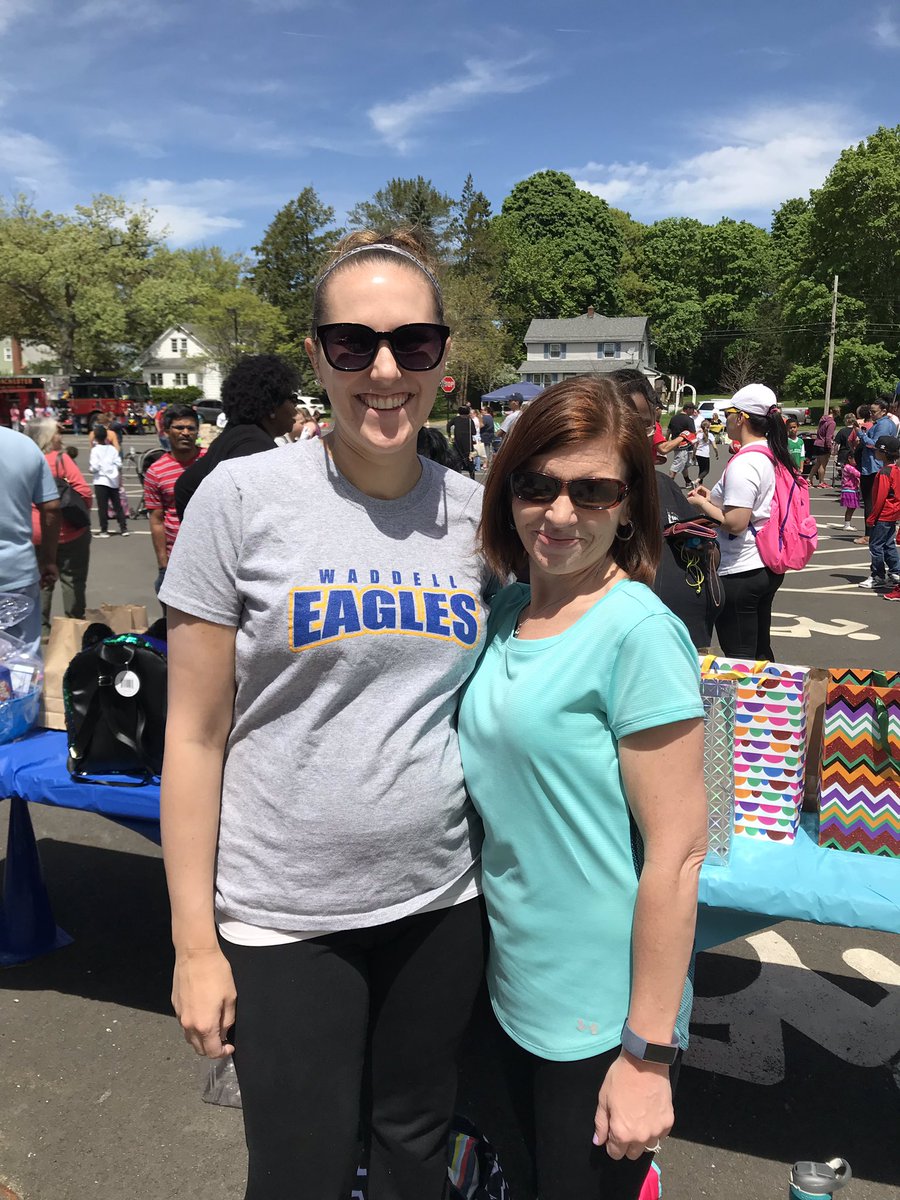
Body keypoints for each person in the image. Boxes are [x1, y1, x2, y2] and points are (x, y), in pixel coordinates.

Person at [158, 229, 492, 1200]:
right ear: (317, 356)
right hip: (285, 918)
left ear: (441, 359)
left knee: (414, 1161)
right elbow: (194, 734)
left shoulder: (478, 516)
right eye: (353, 344)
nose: (384, 370)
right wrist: (193, 942)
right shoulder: (244, 498)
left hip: (440, 906)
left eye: (412, 345)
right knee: (298, 1174)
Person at [458, 375, 707, 1200]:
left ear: (630, 504)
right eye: (537, 484)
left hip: (601, 1014)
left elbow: (678, 854)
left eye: (592, 490)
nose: (560, 513)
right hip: (509, 987)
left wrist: (647, 1054)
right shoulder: (507, 612)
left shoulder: (638, 633)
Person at [609, 369, 723, 650]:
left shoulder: (662, 483)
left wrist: (705, 545)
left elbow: (703, 545)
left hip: (688, 641)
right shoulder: (585, 494)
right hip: (629, 646)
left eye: (647, 425)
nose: (640, 436)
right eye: (628, 423)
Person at [687, 383, 795, 660]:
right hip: (765, 565)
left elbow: (735, 522)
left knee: (740, 657)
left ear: (742, 417)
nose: (725, 419)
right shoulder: (770, 454)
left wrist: (700, 504)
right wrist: (713, 497)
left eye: (729, 412)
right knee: (759, 649)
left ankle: (750, 703)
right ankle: (770, 700)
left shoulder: (745, 463)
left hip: (741, 568)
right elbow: (756, 505)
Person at [174, 356, 299, 520]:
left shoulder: (229, 438)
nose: (296, 408)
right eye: (293, 399)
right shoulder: (256, 449)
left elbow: (184, 485)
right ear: (272, 405)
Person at [25, 418, 93, 633]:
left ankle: (42, 629)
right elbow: (84, 492)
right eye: (56, 433)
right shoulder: (61, 459)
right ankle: (72, 628)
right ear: (46, 436)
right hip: (67, 531)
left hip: (34, 531)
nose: (60, 437)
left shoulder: (25, 459)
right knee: (72, 579)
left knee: (40, 581)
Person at [0, 425, 60, 656]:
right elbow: (51, 509)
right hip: (17, 572)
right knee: (22, 659)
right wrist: (48, 559)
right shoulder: (24, 445)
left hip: (18, 574)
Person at [143, 405, 201, 596]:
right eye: (179, 428)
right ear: (166, 431)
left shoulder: (211, 461)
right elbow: (157, 520)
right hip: (176, 559)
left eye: (191, 428)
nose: (185, 433)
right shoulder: (156, 472)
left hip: (210, 555)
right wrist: (163, 565)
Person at [859, 435, 900, 591]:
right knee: (888, 544)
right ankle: (896, 571)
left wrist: (872, 516)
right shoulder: (896, 470)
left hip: (883, 514)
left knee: (875, 546)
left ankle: (878, 576)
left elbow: (880, 497)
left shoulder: (884, 472)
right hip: (893, 513)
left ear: (883, 453)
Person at [855, 397, 895, 544]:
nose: (871, 414)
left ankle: (869, 534)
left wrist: (861, 434)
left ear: (883, 411)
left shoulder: (883, 425)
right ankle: (876, 533)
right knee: (875, 500)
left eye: (874, 412)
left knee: (870, 501)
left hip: (873, 466)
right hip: (874, 465)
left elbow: (875, 444)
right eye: (870, 411)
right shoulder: (884, 423)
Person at [89, 425, 128, 538]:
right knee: (117, 505)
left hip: (100, 480)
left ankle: (104, 530)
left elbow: (94, 466)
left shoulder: (95, 450)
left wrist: (91, 470)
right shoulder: (112, 449)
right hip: (113, 480)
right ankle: (123, 528)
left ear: (95, 437)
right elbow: (119, 463)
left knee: (103, 506)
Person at [666, 401, 697, 488]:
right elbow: (693, 433)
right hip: (684, 445)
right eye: (692, 409)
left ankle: (687, 481)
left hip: (675, 443)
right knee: (677, 464)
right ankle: (668, 483)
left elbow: (669, 431)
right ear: (688, 409)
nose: (693, 411)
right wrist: (695, 446)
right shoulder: (689, 420)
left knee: (684, 464)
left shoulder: (674, 418)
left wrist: (666, 441)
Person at [449, 403, 477, 479]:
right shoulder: (469, 420)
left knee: (458, 459)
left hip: (457, 442)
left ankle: (458, 476)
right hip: (468, 442)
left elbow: (448, 425)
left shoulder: (455, 419)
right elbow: (474, 432)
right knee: (470, 458)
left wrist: (449, 434)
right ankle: (472, 476)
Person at [811, 410, 836, 487]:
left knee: (818, 463)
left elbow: (818, 431)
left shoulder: (822, 420)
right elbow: (828, 437)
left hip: (817, 443)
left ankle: (809, 478)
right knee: (823, 465)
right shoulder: (832, 423)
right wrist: (830, 447)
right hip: (823, 445)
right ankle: (821, 482)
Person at [837, 459, 862, 535]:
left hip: (851, 489)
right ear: (849, 458)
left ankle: (847, 523)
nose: (856, 461)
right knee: (850, 508)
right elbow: (858, 474)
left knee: (852, 508)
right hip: (849, 490)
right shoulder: (849, 467)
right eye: (854, 459)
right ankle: (847, 524)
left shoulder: (849, 467)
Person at [693, 419, 718, 484]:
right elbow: (715, 446)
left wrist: (693, 454)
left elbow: (695, 446)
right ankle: (696, 481)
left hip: (698, 454)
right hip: (705, 454)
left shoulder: (698, 435)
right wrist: (717, 453)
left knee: (701, 469)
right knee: (706, 470)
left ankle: (700, 485)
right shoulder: (710, 435)